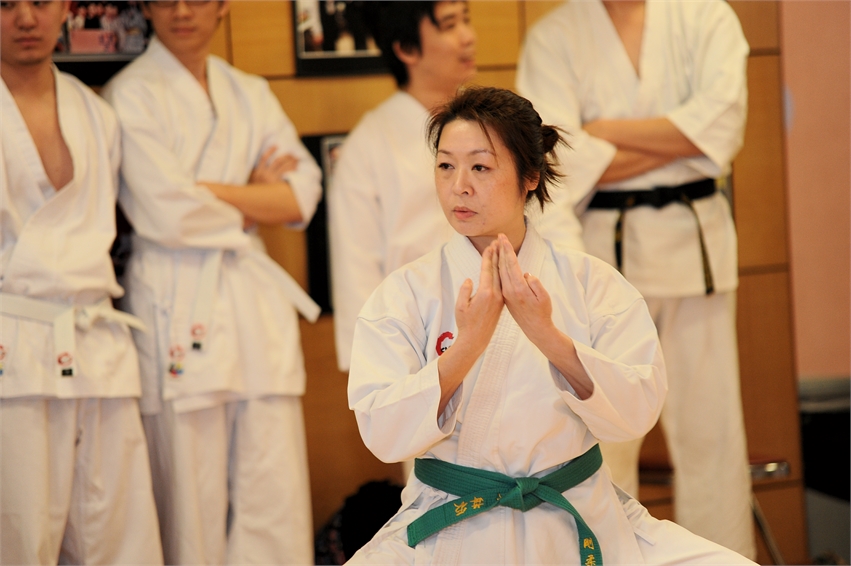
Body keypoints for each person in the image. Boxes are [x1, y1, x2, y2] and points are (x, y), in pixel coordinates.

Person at [345, 85, 755, 565]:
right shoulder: (404, 294)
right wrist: (467, 346)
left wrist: (548, 337)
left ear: (530, 177)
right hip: (453, 522)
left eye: (480, 167)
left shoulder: (592, 284)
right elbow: (383, 433)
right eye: (445, 166)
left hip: (576, 510)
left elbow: (637, 411)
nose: (459, 186)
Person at [516, 0, 755, 558]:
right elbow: (554, 161)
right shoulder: (555, 37)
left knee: (713, 436)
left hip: (694, 255)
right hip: (601, 262)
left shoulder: (705, 16)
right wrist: (680, 141)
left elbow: (722, 126)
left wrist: (603, 136)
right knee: (603, 441)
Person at [102, 1, 323, 563]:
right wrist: (255, 196)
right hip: (176, 298)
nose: (182, 11)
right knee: (189, 502)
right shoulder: (129, 95)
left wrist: (210, 191)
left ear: (223, 5)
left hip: (251, 301)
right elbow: (168, 214)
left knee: (273, 495)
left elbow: (302, 192)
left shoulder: (250, 91)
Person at [0, 1, 161, 564]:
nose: (25, 18)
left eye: (40, 2)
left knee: (120, 538)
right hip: (12, 347)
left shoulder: (96, 113)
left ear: (66, 8)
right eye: (6, 4)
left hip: (97, 344)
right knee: (20, 538)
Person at [328, 1, 475, 374]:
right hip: (415, 346)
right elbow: (356, 273)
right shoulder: (368, 146)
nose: (468, 37)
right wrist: (377, 372)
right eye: (449, 25)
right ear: (407, 49)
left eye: (466, 20)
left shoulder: (493, 129)